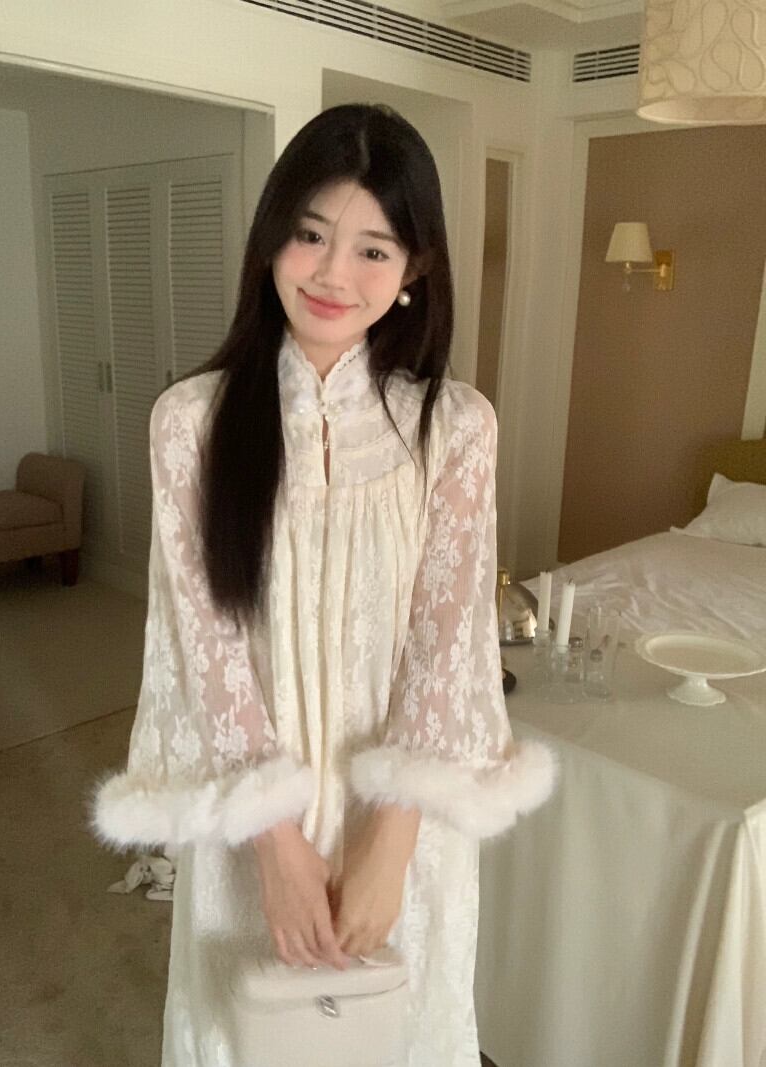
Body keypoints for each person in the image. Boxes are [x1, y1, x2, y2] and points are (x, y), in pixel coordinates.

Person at [93, 103, 556, 1066]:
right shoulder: (190, 423)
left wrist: (390, 840)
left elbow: (446, 641)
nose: (332, 273)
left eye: (373, 249)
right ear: (271, 237)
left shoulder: (456, 428)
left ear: (414, 269)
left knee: (395, 1032)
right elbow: (205, 647)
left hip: (403, 835)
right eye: (310, 235)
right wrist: (277, 845)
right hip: (253, 825)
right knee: (251, 1035)